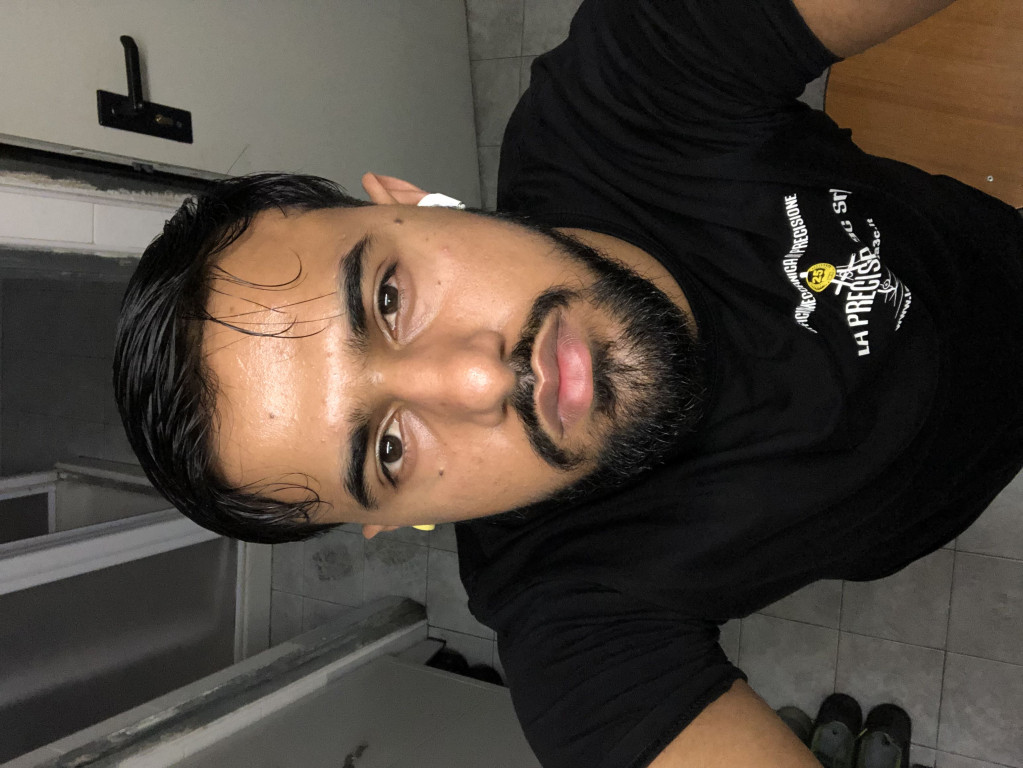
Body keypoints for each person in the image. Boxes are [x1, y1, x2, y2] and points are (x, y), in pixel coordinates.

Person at [113, 0, 1023, 766]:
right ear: (393, 518)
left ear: (407, 199)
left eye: (388, 297)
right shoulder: (570, 624)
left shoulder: (631, 84)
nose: (478, 378)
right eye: (388, 449)